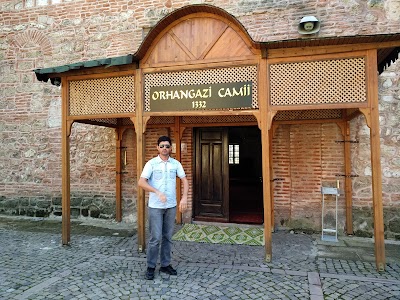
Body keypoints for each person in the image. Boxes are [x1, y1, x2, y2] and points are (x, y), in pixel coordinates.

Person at [138, 135, 189, 280]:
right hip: (155, 206)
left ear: (171, 148)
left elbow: (184, 180)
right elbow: (141, 182)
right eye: (162, 146)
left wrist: (184, 197)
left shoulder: (175, 164)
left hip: (171, 206)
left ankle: (165, 265)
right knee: (155, 237)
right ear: (157, 148)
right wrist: (157, 191)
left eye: (167, 146)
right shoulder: (151, 164)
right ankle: (151, 266)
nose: (164, 148)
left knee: (167, 237)